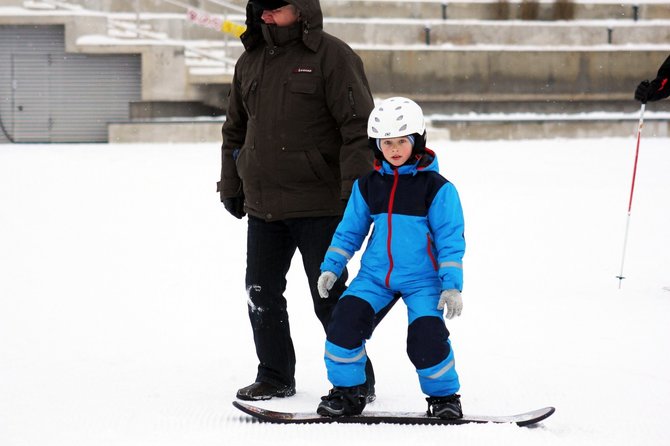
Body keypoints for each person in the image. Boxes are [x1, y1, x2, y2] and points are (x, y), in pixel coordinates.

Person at [217, 0, 377, 401]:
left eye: (276, 9)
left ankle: (355, 379)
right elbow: (234, 130)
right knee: (261, 291)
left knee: (329, 296)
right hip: (264, 204)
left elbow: (358, 130)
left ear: (302, 10)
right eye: (261, 9)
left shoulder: (333, 57)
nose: (266, 16)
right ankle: (273, 375)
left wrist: (354, 197)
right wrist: (231, 184)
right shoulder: (250, 60)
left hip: (320, 204)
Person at [315, 97, 466, 418]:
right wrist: (332, 266)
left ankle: (444, 398)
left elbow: (450, 240)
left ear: (417, 141)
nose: (394, 149)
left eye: (401, 142)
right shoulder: (368, 185)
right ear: (377, 145)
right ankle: (348, 393)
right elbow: (349, 231)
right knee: (343, 324)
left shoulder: (438, 188)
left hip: (423, 281)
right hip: (375, 277)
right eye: (386, 143)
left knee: (426, 339)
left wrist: (451, 285)